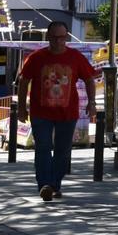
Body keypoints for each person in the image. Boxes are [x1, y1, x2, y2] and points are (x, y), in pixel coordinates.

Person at [16, 20, 97, 201]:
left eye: (61, 37)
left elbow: (90, 79)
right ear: (48, 37)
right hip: (40, 113)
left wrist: (91, 103)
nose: (58, 41)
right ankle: (45, 185)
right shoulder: (36, 58)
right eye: (54, 37)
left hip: (67, 114)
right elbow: (23, 82)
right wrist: (22, 108)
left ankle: (54, 185)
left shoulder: (75, 57)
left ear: (67, 37)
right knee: (43, 148)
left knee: (63, 150)